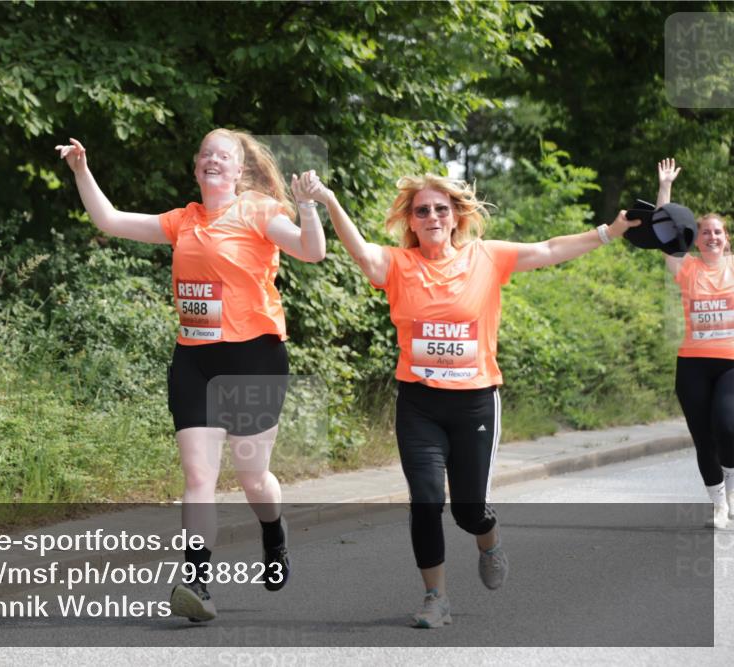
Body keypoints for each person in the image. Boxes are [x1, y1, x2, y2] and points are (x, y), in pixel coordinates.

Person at [293, 170, 638, 628]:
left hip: (475, 402)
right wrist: (329, 199)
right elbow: (358, 248)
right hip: (419, 403)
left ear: (455, 216)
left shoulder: (486, 257)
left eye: (441, 208)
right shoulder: (396, 265)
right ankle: (436, 598)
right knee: (426, 501)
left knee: (469, 508)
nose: (433, 216)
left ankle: (488, 540)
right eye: (422, 211)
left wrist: (609, 232)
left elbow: (551, 249)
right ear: (410, 222)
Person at [56, 130, 326, 622]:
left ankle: (273, 530)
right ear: (197, 166)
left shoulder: (260, 212)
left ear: (240, 170)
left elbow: (312, 252)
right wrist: (81, 169)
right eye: (205, 153)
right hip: (195, 360)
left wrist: (308, 208)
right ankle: (197, 582)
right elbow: (111, 220)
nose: (212, 160)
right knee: (199, 476)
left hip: (254, 358)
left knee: (252, 479)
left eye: (224, 155)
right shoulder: (184, 220)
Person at [656, 158, 734, 529]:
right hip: (692, 363)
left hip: (731, 363)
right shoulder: (686, 268)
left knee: (728, 427)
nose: (712, 238)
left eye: (718, 233)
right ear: (697, 238)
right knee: (703, 437)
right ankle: (719, 505)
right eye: (706, 233)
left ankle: (731, 489)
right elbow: (662, 229)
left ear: (726, 238)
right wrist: (665, 187)